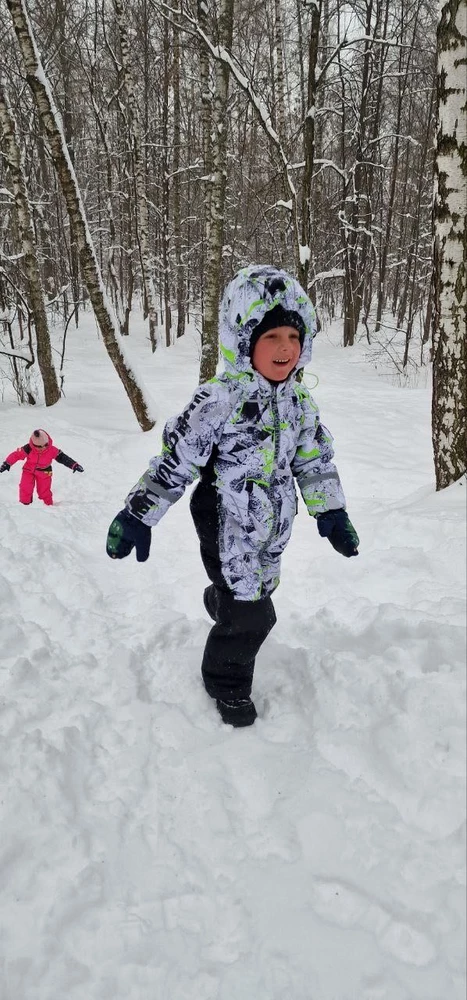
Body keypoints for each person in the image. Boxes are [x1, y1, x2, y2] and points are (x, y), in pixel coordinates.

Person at [106, 265, 359, 727]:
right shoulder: (218, 400)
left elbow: (313, 461)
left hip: (273, 521)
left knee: (257, 588)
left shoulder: (300, 403)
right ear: (244, 342)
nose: (285, 348)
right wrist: (137, 515)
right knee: (256, 617)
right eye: (271, 337)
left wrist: (332, 511)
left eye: (292, 336)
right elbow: (175, 461)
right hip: (225, 516)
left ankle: (222, 602)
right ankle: (226, 683)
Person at [0, 428, 83, 505]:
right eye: (39, 446)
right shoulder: (28, 448)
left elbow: (63, 458)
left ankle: (49, 506)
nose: (43, 447)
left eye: (45, 445)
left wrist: (74, 465)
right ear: (33, 444)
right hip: (28, 470)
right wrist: (7, 463)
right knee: (25, 487)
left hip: (45, 472)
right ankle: (24, 506)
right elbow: (16, 455)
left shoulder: (52, 449)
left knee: (44, 491)